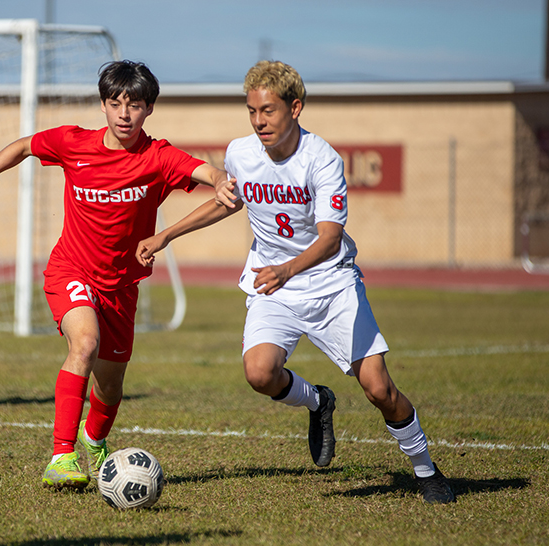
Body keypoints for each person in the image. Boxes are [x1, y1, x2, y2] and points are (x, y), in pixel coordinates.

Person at [137, 60, 455, 504]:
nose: (258, 121)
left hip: (330, 285)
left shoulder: (322, 160)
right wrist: (165, 234)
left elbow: (330, 238)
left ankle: (426, 470)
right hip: (275, 286)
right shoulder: (240, 154)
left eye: (267, 110)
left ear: (296, 107)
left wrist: (288, 268)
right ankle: (318, 402)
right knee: (260, 373)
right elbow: (228, 204)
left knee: (379, 389)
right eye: (251, 111)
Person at [0, 60, 233, 491]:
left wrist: (221, 178)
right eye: (115, 103)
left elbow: (203, 172)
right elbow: (22, 146)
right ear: (102, 105)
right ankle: (61, 455)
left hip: (122, 285)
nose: (124, 113)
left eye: (134, 105)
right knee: (85, 343)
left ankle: (93, 440)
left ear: (148, 109)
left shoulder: (158, 157)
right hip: (70, 270)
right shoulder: (72, 142)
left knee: (111, 388)